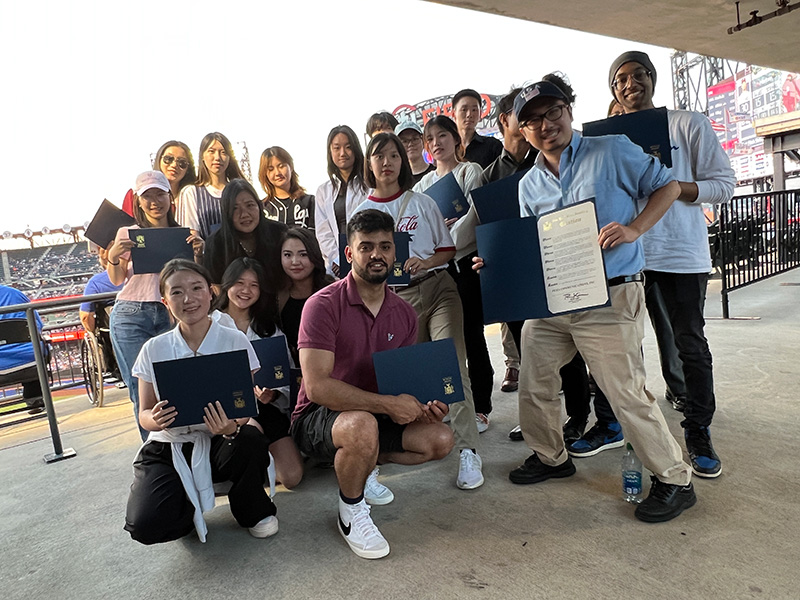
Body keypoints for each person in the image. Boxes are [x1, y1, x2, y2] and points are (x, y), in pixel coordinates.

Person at [475, 75, 696, 523]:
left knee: (625, 392)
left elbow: (669, 186)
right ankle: (551, 457)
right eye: (532, 119)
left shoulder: (611, 149)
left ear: (569, 110)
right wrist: (498, 265)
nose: (545, 124)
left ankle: (675, 478)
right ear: (521, 129)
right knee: (534, 381)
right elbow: (532, 246)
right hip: (554, 303)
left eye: (552, 111)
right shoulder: (528, 184)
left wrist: (634, 228)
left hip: (612, 294)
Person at [578, 51, 735, 479]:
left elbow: (724, 184)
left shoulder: (688, 124)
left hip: (679, 254)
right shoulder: (602, 140)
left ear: (653, 79)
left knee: (689, 344)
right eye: (621, 79)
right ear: (613, 90)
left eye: (639, 75)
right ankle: (610, 423)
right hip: (623, 259)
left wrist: (672, 186)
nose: (630, 84)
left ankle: (698, 431)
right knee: (614, 349)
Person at [291, 209, 454, 559]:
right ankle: (350, 510)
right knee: (361, 425)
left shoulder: (405, 314)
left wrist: (425, 407)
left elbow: (403, 381)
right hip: (318, 416)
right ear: (349, 253)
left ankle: (364, 464)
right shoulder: (321, 305)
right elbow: (318, 387)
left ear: (395, 253)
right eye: (366, 246)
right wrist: (388, 406)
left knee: (440, 439)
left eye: (385, 246)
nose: (376, 254)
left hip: (372, 414)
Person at [356, 132, 483, 490]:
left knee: (452, 365)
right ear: (370, 164)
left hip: (438, 289)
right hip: (395, 303)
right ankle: (390, 448)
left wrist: (425, 261)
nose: (387, 162)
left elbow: (446, 250)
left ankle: (467, 450)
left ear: (403, 161)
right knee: (410, 378)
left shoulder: (423, 202)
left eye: (394, 155)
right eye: (379, 156)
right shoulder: (361, 211)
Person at [124, 259, 277, 544]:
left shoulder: (234, 340)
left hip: (223, 440)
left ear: (211, 292)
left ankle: (254, 510)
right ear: (164, 301)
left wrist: (232, 426)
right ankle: (184, 508)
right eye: (177, 292)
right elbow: (144, 413)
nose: (188, 299)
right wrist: (154, 418)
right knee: (145, 525)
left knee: (249, 439)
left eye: (196, 288)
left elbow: (244, 405)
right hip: (171, 443)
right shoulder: (153, 349)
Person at [108, 171, 204, 441]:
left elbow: (194, 277)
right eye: (147, 196)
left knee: (175, 384)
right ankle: (152, 453)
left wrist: (199, 252)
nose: (154, 201)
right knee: (141, 389)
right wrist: (114, 256)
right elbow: (117, 280)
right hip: (131, 313)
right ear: (138, 201)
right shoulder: (128, 233)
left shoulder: (184, 234)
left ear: (169, 197)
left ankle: (182, 444)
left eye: (159, 194)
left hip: (170, 312)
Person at [414, 116, 494, 433]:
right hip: (436, 272)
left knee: (472, 337)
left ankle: (482, 408)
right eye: (430, 138)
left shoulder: (469, 171)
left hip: (464, 265)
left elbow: (475, 216)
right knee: (442, 346)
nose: (436, 142)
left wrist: (444, 240)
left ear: (455, 139)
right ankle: (447, 404)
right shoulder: (421, 186)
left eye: (443, 135)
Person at [212, 257, 304, 489]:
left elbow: (284, 372)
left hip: (263, 406)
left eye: (254, 285)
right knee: (248, 431)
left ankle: (248, 470)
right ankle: (241, 469)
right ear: (227, 284)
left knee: (292, 477)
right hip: (223, 410)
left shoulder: (269, 329)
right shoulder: (209, 324)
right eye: (240, 283)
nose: (246, 290)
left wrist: (273, 394)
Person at [202, 178, 288, 289]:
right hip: (235, 304)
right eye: (235, 208)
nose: (244, 214)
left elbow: (288, 280)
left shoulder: (279, 232)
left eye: (250, 205)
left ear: (259, 206)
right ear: (226, 213)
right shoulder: (215, 242)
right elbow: (217, 288)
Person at [314, 125, 368, 275]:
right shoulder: (323, 191)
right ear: (330, 152)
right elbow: (323, 232)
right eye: (336, 148)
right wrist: (338, 258)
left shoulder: (370, 184)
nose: (342, 153)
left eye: (348, 147)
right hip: (337, 266)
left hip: (367, 258)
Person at [277, 228, 334, 364]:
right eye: (287, 255)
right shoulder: (277, 297)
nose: (295, 261)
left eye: (303, 255)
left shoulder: (333, 291)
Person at [177, 132, 247, 240]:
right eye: (211, 151)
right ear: (202, 156)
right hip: (208, 255)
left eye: (223, 152)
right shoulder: (191, 192)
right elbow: (190, 233)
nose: (217, 157)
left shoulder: (240, 190)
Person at [79, 244, 124, 380]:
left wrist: (92, 333)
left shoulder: (95, 283)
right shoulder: (136, 274)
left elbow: (86, 317)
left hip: (110, 328)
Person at [0, 285, 45, 414]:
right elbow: (38, 325)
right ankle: (35, 399)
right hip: (29, 360)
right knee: (34, 348)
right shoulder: (14, 294)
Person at [122, 140, 197, 217]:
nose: (174, 165)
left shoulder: (194, 197)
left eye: (182, 162)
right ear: (159, 160)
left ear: (188, 169)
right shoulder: (135, 194)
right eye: (168, 159)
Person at [259, 146, 315, 230]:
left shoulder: (309, 202)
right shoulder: (262, 208)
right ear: (265, 174)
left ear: (291, 167)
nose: (277, 173)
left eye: (281, 166)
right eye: (271, 169)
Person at [451, 88, 503, 168]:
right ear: (454, 114)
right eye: (464, 109)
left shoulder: (493, 146)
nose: (469, 114)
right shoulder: (448, 150)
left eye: (474, 110)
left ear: (480, 114)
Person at [395, 121, 434, 185]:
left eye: (415, 139)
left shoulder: (436, 172)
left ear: (423, 141)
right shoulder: (399, 182)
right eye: (404, 141)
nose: (410, 144)